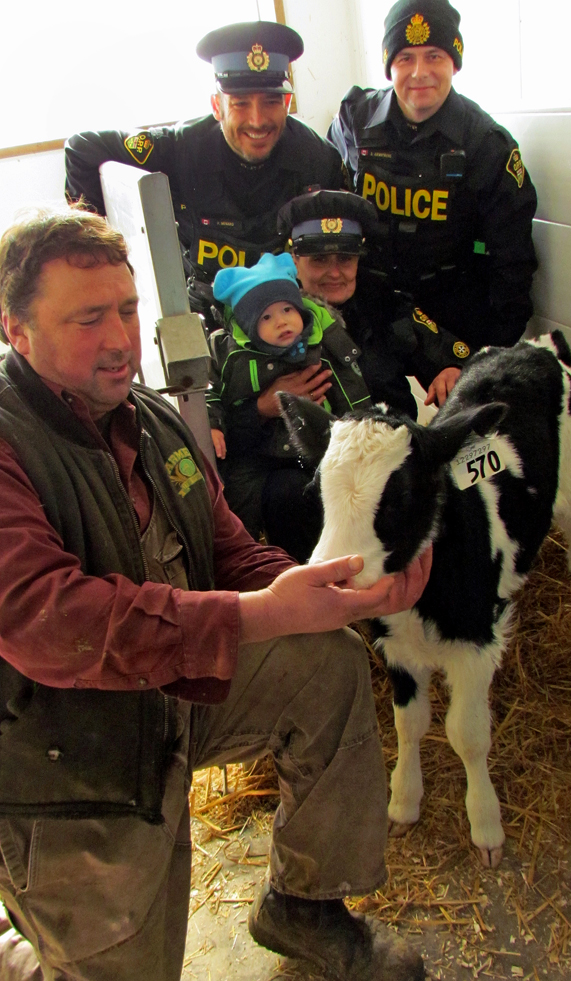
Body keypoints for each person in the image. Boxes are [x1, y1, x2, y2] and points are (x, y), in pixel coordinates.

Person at [0, 207, 431, 981]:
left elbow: (226, 545)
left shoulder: (151, 416)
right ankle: (28, 943)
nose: (120, 338)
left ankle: (304, 904)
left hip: (167, 693)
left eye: (127, 309)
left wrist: (334, 592)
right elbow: (51, 619)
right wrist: (263, 612)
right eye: (88, 317)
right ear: (15, 330)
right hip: (62, 755)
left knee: (323, 659)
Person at [64, 21, 345, 328]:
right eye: (239, 103)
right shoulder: (182, 148)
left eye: (271, 101)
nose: (257, 120)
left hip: (284, 317)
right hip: (205, 316)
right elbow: (82, 149)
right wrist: (100, 257)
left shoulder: (318, 159)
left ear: (287, 103)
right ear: (216, 105)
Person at [327, 0, 538, 352]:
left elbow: (512, 263)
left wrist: (482, 358)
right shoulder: (355, 118)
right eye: (405, 57)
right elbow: (322, 199)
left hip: (452, 309)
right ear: (388, 65)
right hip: (369, 300)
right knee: (368, 399)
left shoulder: (486, 143)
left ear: (454, 63)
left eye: (434, 56)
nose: (419, 72)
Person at [207, 251, 371, 561]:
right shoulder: (230, 355)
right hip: (255, 454)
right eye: (266, 317)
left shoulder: (321, 343)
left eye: (287, 309)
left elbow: (352, 394)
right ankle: (247, 561)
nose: (281, 321)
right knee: (239, 507)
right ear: (248, 327)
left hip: (317, 446)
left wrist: (362, 429)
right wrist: (214, 423)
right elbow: (209, 391)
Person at [277, 188, 473, 417]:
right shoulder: (269, 315)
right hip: (314, 450)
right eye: (320, 260)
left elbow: (458, 358)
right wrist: (265, 406)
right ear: (295, 260)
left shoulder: (386, 307)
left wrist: (452, 370)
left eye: (345, 259)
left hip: (393, 444)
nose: (335, 273)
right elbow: (234, 409)